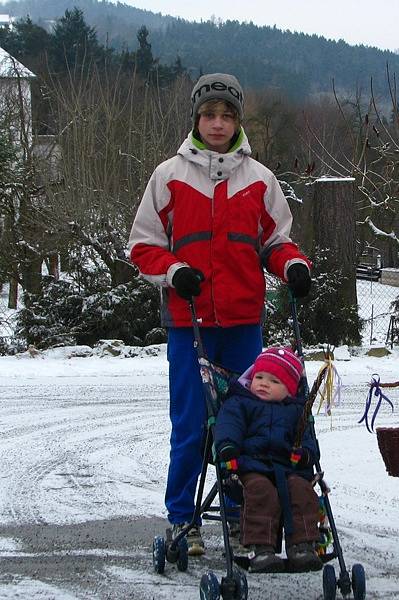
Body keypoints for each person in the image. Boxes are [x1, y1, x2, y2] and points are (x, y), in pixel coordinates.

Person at [128, 73, 312, 556]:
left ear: (238, 120)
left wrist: (293, 267)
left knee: (253, 423)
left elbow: (277, 241)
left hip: (243, 325)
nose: (217, 122)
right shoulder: (168, 176)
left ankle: (243, 514)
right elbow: (143, 245)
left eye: (227, 115)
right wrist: (173, 272)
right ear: (196, 118)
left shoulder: (260, 179)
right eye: (209, 114)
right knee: (192, 423)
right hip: (189, 324)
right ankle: (182, 519)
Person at [215, 347, 322, 573]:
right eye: (259, 377)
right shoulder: (241, 402)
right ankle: (261, 549)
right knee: (261, 491)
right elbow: (228, 425)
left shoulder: (297, 411)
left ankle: (302, 545)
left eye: (274, 381)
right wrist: (228, 447)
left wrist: (305, 454)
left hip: (288, 468)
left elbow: (309, 441)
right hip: (249, 466)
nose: (263, 383)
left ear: (290, 390)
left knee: (302, 491)